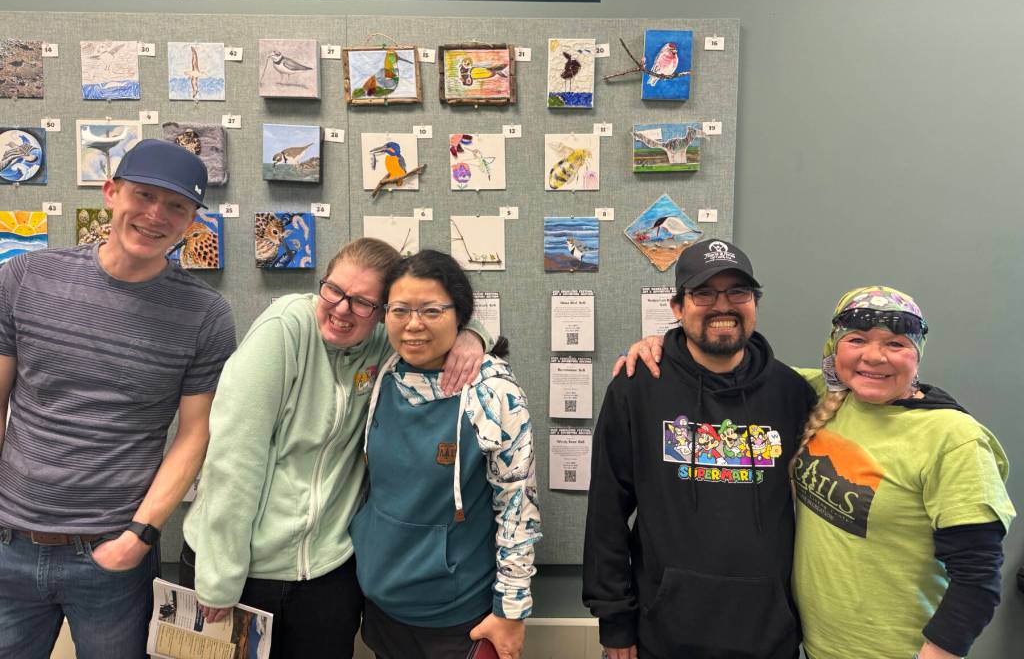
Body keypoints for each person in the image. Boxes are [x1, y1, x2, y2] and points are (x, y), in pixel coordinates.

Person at [180, 238, 492, 659]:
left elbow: (440, 319)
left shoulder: (386, 346)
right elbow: (234, 459)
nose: (342, 309)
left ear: (383, 313)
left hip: (327, 575)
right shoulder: (286, 329)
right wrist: (219, 579)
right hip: (240, 568)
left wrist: (473, 336)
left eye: (363, 302)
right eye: (334, 290)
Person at [0, 139, 236, 658]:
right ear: (111, 192)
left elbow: (195, 434)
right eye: (144, 195)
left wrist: (140, 536)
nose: (156, 216)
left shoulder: (205, 315)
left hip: (111, 554)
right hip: (8, 542)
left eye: (176, 206)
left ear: (192, 222)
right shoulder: (24, 279)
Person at [584, 239, 815, 659]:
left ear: (755, 303)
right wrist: (615, 620)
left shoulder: (792, 393)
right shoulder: (637, 387)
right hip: (663, 630)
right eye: (704, 293)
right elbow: (606, 511)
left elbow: (870, 390)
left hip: (767, 633)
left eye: (737, 293)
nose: (722, 306)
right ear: (677, 307)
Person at [790, 286, 1015, 659]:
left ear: (916, 355)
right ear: (834, 349)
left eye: (895, 344)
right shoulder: (825, 395)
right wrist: (662, 346)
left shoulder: (953, 439)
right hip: (817, 648)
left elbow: (977, 576)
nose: (874, 357)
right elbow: (737, 367)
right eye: (857, 339)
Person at [350, 249, 541, 659]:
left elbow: (517, 507)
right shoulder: (380, 369)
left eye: (431, 310)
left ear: (460, 314)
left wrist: (511, 611)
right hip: (382, 605)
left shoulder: (493, 391)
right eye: (400, 310)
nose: (414, 324)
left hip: (458, 615)